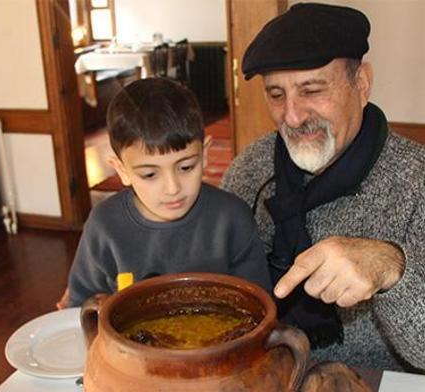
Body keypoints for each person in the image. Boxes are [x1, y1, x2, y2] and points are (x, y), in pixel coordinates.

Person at [221, 3, 425, 371]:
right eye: (276, 94)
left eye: (312, 89)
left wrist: (392, 266)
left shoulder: (424, 183)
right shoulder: (251, 169)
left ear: (361, 84)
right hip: (264, 378)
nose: (292, 116)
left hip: (375, 388)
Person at [58, 77, 270, 308]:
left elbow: (258, 304)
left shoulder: (232, 218)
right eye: (150, 175)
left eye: (186, 167)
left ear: (205, 154)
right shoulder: (105, 225)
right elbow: (79, 308)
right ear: (121, 170)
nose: (173, 188)